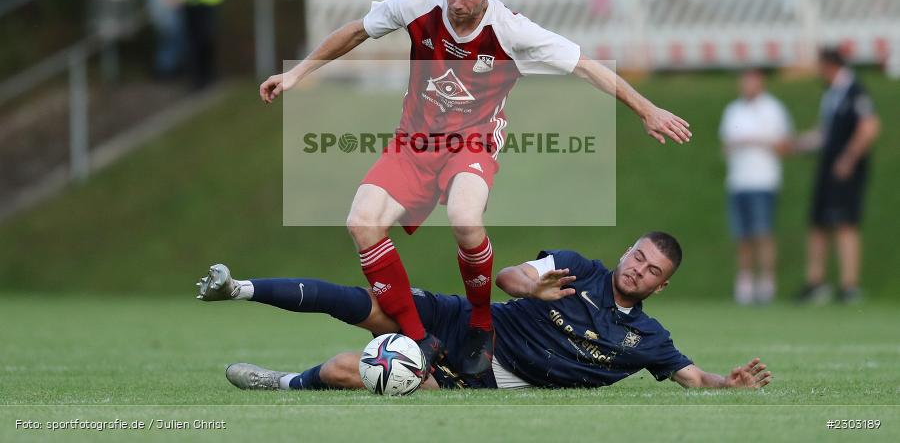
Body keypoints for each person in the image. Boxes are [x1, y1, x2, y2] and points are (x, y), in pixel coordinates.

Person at [258, 0, 693, 377]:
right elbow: (356, 30)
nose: (457, 4)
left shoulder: (512, 30)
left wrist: (647, 110)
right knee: (361, 223)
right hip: (414, 142)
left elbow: (587, 66)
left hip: (474, 142)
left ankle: (481, 324)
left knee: (466, 220)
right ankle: (416, 337)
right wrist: (296, 73)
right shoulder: (417, 5)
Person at [195, 231, 772, 392]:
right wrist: (532, 287)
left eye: (652, 271)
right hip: (473, 325)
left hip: (486, 377)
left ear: (660, 287)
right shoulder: (577, 268)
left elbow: (691, 375)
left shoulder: (645, 336)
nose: (638, 269)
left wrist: (729, 382)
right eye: (637, 256)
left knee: (355, 369)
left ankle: (286, 385)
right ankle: (240, 288)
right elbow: (511, 274)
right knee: (362, 305)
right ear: (626, 251)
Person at [795, 49, 879, 304]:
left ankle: (849, 284)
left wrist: (849, 157)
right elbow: (826, 133)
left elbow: (869, 126)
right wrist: (799, 144)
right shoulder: (832, 93)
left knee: (845, 223)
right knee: (818, 222)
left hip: (846, 169)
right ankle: (816, 282)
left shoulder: (855, 90)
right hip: (828, 167)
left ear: (830, 66)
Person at [719, 69, 792, 304]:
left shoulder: (774, 109)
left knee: (763, 234)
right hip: (739, 181)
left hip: (763, 180)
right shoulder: (733, 110)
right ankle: (745, 285)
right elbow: (725, 146)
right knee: (743, 236)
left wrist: (757, 141)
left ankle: (767, 284)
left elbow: (785, 145)